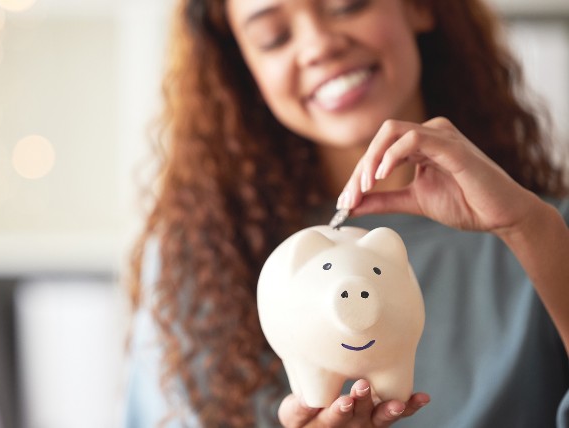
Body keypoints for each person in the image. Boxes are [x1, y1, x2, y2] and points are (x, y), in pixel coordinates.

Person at [123, 0, 569, 426]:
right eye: (274, 36)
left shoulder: (546, 233)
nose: (319, 45)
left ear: (419, 5)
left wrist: (531, 228)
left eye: (347, 5)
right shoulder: (200, 262)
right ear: (244, 68)